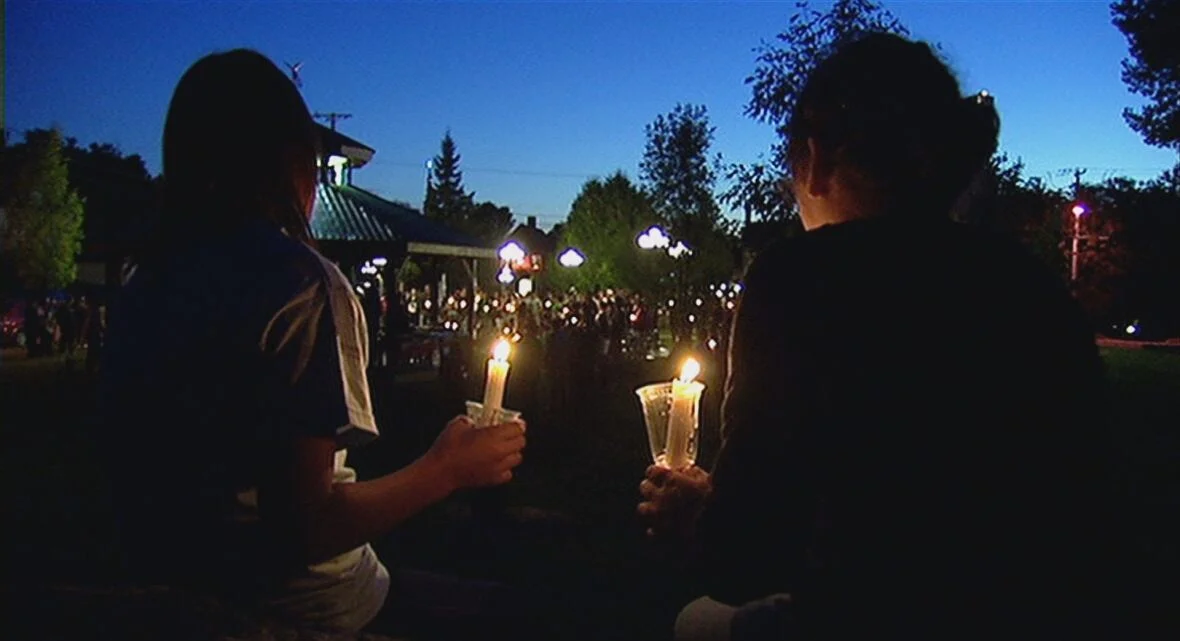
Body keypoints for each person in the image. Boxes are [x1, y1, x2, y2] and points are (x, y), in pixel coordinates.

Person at [639, 33, 1117, 640]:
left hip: (872, 615)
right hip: (1045, 614)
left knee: (696, 622)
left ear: (813, 158)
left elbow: (744, 558)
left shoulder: (802, 281)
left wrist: (693, 516)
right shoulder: (1028, 286)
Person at [98, 50, 526, 635]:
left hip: (176, 587)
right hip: (299, 607)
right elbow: (302, 528)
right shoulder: (298, 285)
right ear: (293, 164)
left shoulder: (146, 283)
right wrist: (444, 470)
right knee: (511, 614)